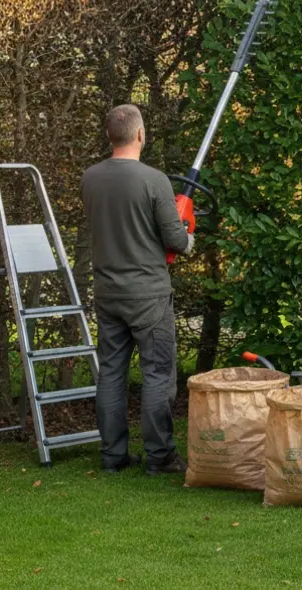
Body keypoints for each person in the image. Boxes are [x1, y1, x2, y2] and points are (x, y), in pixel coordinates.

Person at [81, 104, 193, 474]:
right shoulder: (154, 179)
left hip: (108, 292)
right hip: (148, 294)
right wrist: (190, 239)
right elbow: (174, 238)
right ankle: (159, 457)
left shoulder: (90, 178)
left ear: (109, 135)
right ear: (141, 135)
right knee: (157, 373)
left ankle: (113, 456)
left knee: (111, 372)